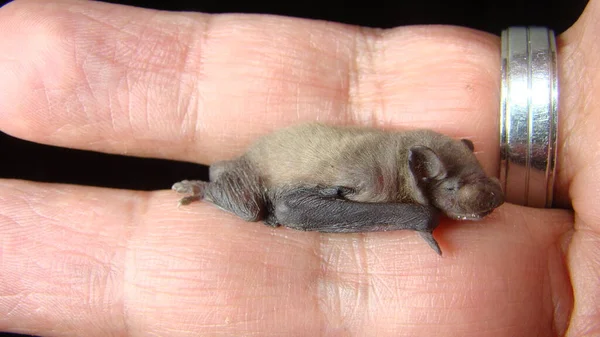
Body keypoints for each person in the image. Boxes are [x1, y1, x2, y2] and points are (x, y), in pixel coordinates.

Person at [0, 0, 597, 336]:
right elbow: (292, 204)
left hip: (308, 158)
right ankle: (208, 191)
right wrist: (416, 218)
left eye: (470, 177)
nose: (473, 193)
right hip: (263, 176)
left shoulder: (418, 158)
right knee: (269, 210)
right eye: (461, 183)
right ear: (420, 168)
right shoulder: (385, 173)